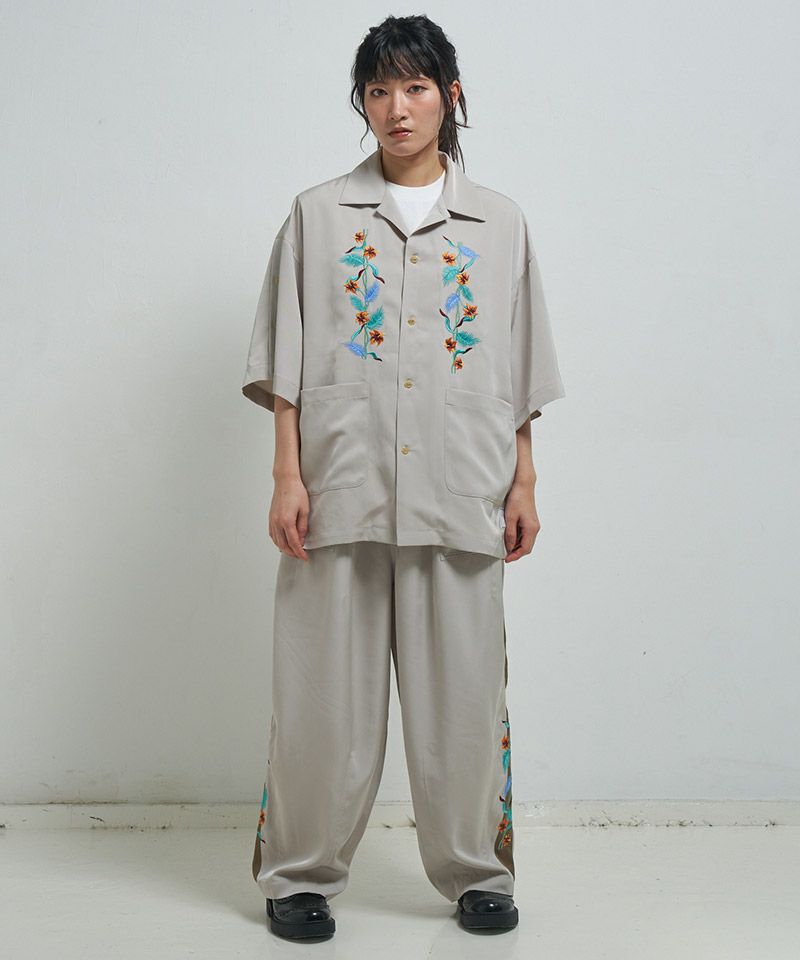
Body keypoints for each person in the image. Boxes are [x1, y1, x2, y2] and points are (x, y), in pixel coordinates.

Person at [241, 14, 566, 941]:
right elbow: (287, 360)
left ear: (449, 96)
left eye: (416, 87)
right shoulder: (317, 215)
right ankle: (299, 874)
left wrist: (524, 481)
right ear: (363, 101)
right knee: (320, 701)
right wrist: (286, 474)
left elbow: (517, 363)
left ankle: (477, 872)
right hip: (337, 489)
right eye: (378, 90)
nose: (397, 108)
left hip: (462, 486)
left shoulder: (500, 222)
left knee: (464, 699)